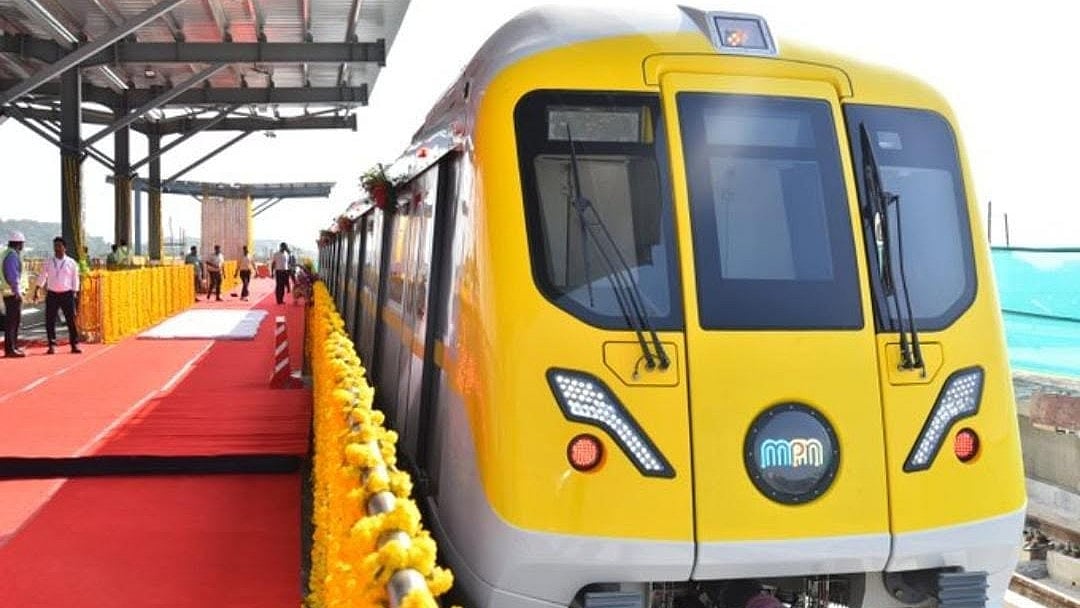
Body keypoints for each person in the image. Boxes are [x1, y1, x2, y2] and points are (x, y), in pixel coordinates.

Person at [33, 237, 82, 354]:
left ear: (65, 248)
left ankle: (74, 344)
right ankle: (51, 344)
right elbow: (42, 276)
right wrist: (37, 289)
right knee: (50, 320)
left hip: (67, 294)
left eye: (59, 246)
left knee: (71, 320)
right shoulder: (49, 262)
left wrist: (75, 292)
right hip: (52, 294)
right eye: (55, 246)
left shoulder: (71, 262)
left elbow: (75, 278)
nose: (57, 248)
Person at [1, 231, 28, 357]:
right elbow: (13, 276)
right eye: (22, 243)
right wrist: (17, 292)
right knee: (12, 322)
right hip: (12, 294)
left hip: (9, 292)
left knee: (13, 321)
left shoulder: (7, 254)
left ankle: (13, 346)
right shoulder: (12, 256)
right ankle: (10, 349)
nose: (23, 246)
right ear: (18, 243)